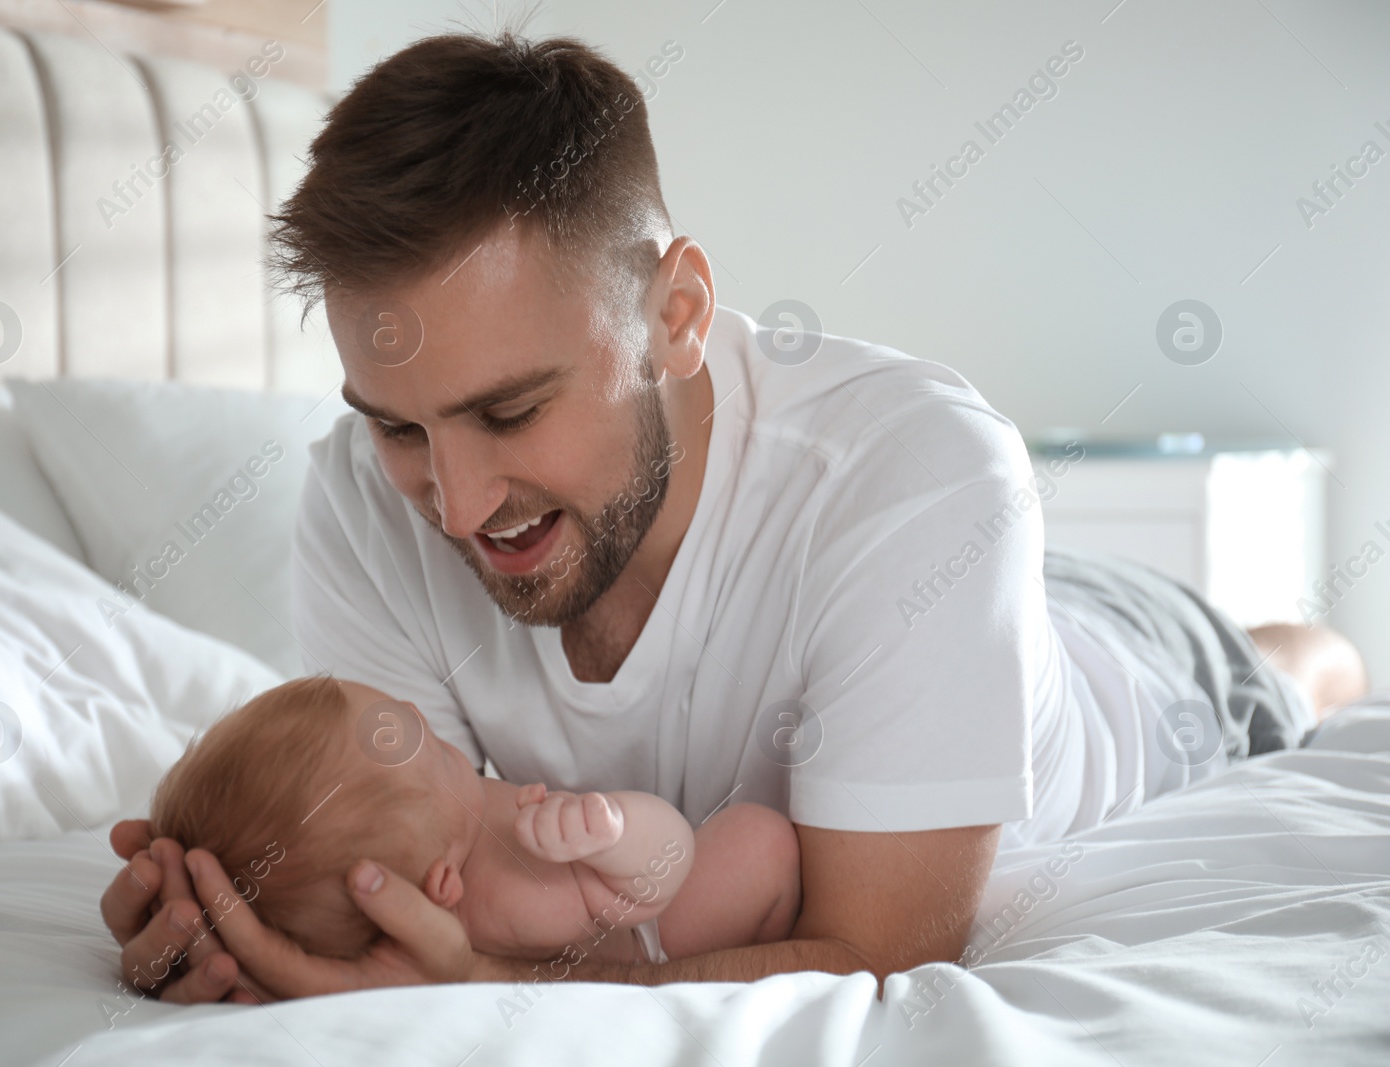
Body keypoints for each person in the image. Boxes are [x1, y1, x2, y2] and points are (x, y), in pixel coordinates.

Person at [99, 30, 1369, 1003]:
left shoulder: (917, 475)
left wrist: (509, 998)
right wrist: (246, 909)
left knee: (1283, 667)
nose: (458, 502)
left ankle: (1303, 651)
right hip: (943, 626)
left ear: (680, 315)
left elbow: (876, 952)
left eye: (511, 409)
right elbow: (412, 854)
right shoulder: (361, 497)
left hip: (1129, 672)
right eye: (396, 425)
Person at [145, 674, 799, 976]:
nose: (412, 711)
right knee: (756, 842)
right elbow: (662, 874)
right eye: (419, 743)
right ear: (441, 885)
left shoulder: (450, 833)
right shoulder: (515, 896)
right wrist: (618, 827)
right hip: (660, 937)